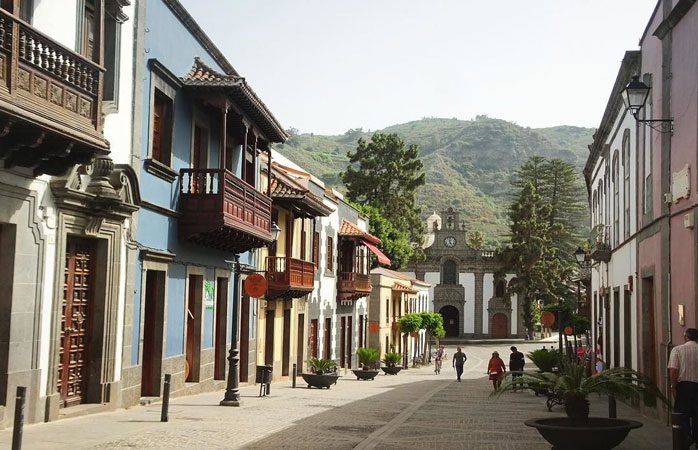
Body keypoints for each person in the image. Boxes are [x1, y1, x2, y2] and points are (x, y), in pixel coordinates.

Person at [669, 328, 698, 449]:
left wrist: (673, 386)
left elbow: (674, 370)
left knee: (682, 414)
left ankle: (686, 438)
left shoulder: (677, 349)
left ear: (685, 337)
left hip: (684, 386)